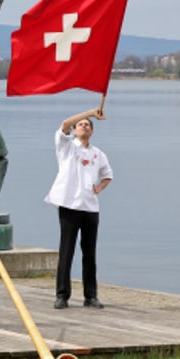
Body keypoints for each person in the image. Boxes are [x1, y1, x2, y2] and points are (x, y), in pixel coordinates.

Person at [46, 108, 113, 310]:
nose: (84, 126)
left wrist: (99, 188)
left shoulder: (97, 154)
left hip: (90, 207)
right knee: (67, 250)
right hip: (70, 205)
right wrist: (91, 113)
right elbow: (65, 123)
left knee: (89, 253)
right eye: (81, 124)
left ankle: (90, 296)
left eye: (87, 125)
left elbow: (108, 174)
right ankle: (62, 295)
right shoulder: (67, 147)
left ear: (92, 131)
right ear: (75, 131)